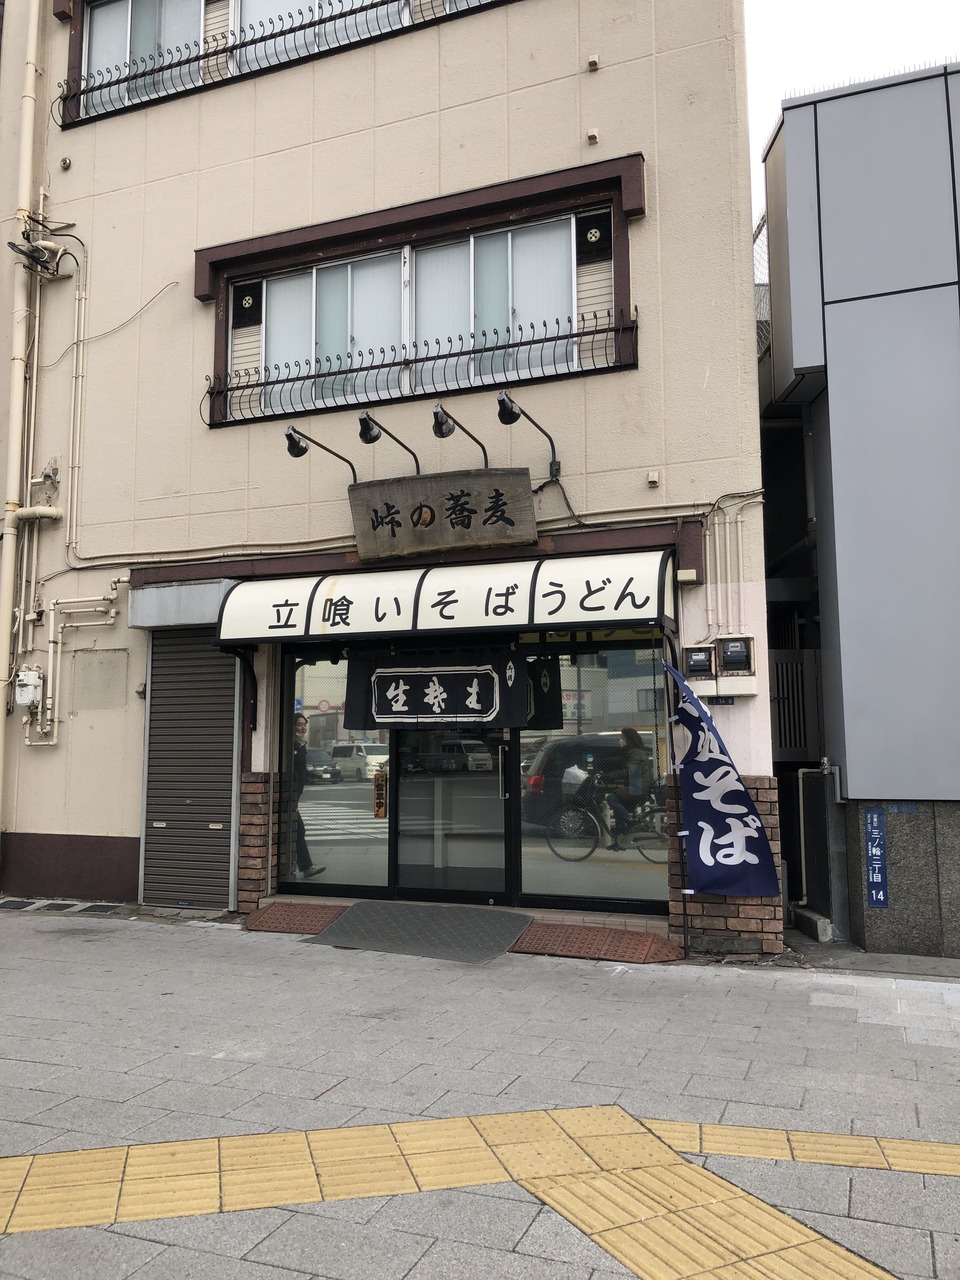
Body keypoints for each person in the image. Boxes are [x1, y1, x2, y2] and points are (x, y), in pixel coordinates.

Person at [605, 726, 653, 844]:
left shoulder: (634, 752)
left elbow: (629, 771)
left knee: (611, 798)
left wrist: (609, 776)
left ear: (628, 739)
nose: (620, 740)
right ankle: (620, 841)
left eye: (622, 737)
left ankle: (631, 821)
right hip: (637, 785)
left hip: (638, 787)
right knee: (618, 811)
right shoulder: (634, 751)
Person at [292, 713, 325, 879]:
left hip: (295, 794)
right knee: (298, 828)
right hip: (288, 793)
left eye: (304, 724)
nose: (303, 727)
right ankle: (306, 867)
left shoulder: (301, 745)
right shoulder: (290, 744)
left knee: (297, 828)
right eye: (299, 724)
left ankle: (303, 867)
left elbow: (301, 769)